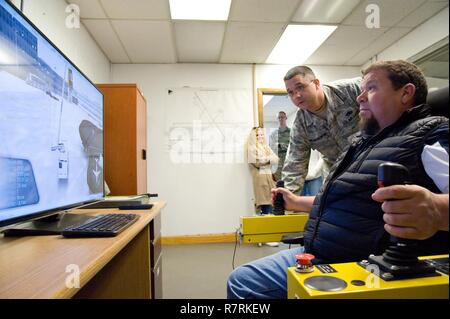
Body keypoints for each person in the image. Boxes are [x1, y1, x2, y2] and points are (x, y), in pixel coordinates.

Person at [228, 60, 449, 299]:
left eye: (371, 89)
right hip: (322, 250)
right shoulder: (360, 143)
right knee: (243, 279)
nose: (360, 98)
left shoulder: (429, 134)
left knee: (244, 284)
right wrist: (293, 201)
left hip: (360, 262)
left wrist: (438, 210)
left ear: (406, 93)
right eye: (363, 90)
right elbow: (333, 190)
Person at [282, 66, 361, 195]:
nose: (296, 95)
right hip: (339, 175)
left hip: (370, 164)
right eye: (290, 92)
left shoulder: (350, 90)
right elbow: (295, 163)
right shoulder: (301, 124)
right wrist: (287, 199)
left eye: (300, 87)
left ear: (317, 83)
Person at [247, 127, 279, 215]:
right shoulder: (251, 149)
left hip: (269, 181)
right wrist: (269, 159)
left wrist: (266, 159)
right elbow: (258, 163)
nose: (260, 137)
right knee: (265, 208)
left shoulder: (265, 147)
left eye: (262, 134)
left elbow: (276, 159)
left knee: (272, 208)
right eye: (257, 135)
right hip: (261, 183)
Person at [269, 111, 290, 182]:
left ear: (286, 118)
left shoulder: (292, 132)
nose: (281, 119)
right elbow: (271, 149)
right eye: (279, 117)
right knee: (279, 186)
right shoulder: (273, 134)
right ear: (277, 119)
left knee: (290, 185)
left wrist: (280, 145)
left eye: (282, 117)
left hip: (289, 163)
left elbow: (293, 147)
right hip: (277, 165)